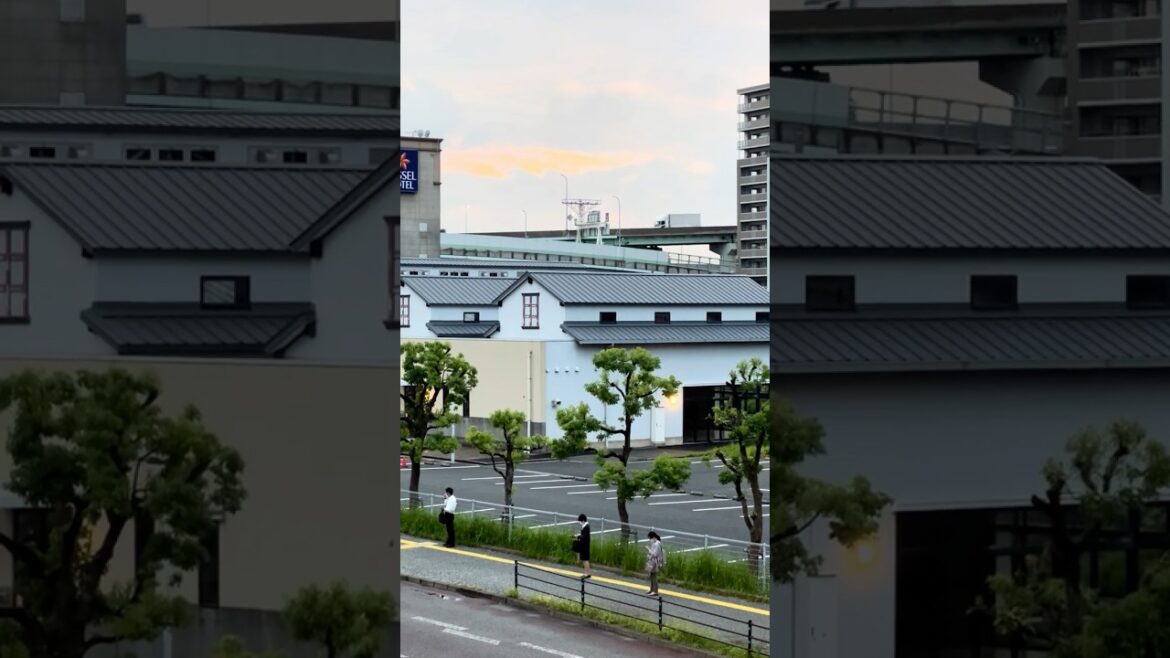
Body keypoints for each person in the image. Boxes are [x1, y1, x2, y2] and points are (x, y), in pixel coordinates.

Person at [644, 531, 665, 596]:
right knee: (652, 575)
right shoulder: (656, 543)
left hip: (655, 562)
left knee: (654, 576)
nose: (650, 540)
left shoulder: (657, 544)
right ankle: (652, 589)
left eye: (650, 538)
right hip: (653, 561)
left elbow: (655, 554)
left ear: (653, 537)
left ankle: (655, 591)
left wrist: (648, 549)